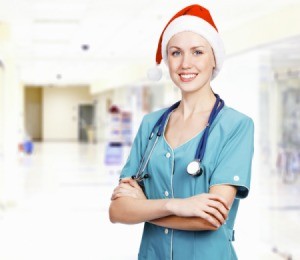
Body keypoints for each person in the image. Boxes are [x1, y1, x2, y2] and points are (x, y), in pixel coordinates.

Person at [109, 4, 254, 260]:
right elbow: (118, 211)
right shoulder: (151, 126)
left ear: (214, 59)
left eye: (197, 52)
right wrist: (179, 206)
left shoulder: (236, 126)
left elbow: (212, 217)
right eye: (176, 53)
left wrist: (143, 207)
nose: (185, 63)